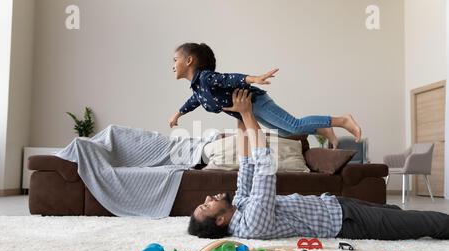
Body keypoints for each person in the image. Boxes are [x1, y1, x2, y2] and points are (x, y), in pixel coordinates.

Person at [187, 89, 449, 240]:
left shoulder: (239, 205)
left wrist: (240, 118)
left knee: (396, 211)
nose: (208, 197)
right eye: (206, 205)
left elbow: (247, 165)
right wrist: (246, 113)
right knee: (421, 223)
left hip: (335, 203)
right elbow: (264, 166)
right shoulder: (251, 225)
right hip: (346, 223)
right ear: (220, 220)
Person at [169, 42, 362, 149]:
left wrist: (255, 78)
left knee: (294, 125)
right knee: (288, 132)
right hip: (249, 111)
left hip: (256, 102)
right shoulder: (198, 89)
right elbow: (193, 101)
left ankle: (342, 120)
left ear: (189, 60)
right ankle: (323, 131)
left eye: (175, 60)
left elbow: (230, 79)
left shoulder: (205, 78)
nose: (172, 65)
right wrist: (178, 114)